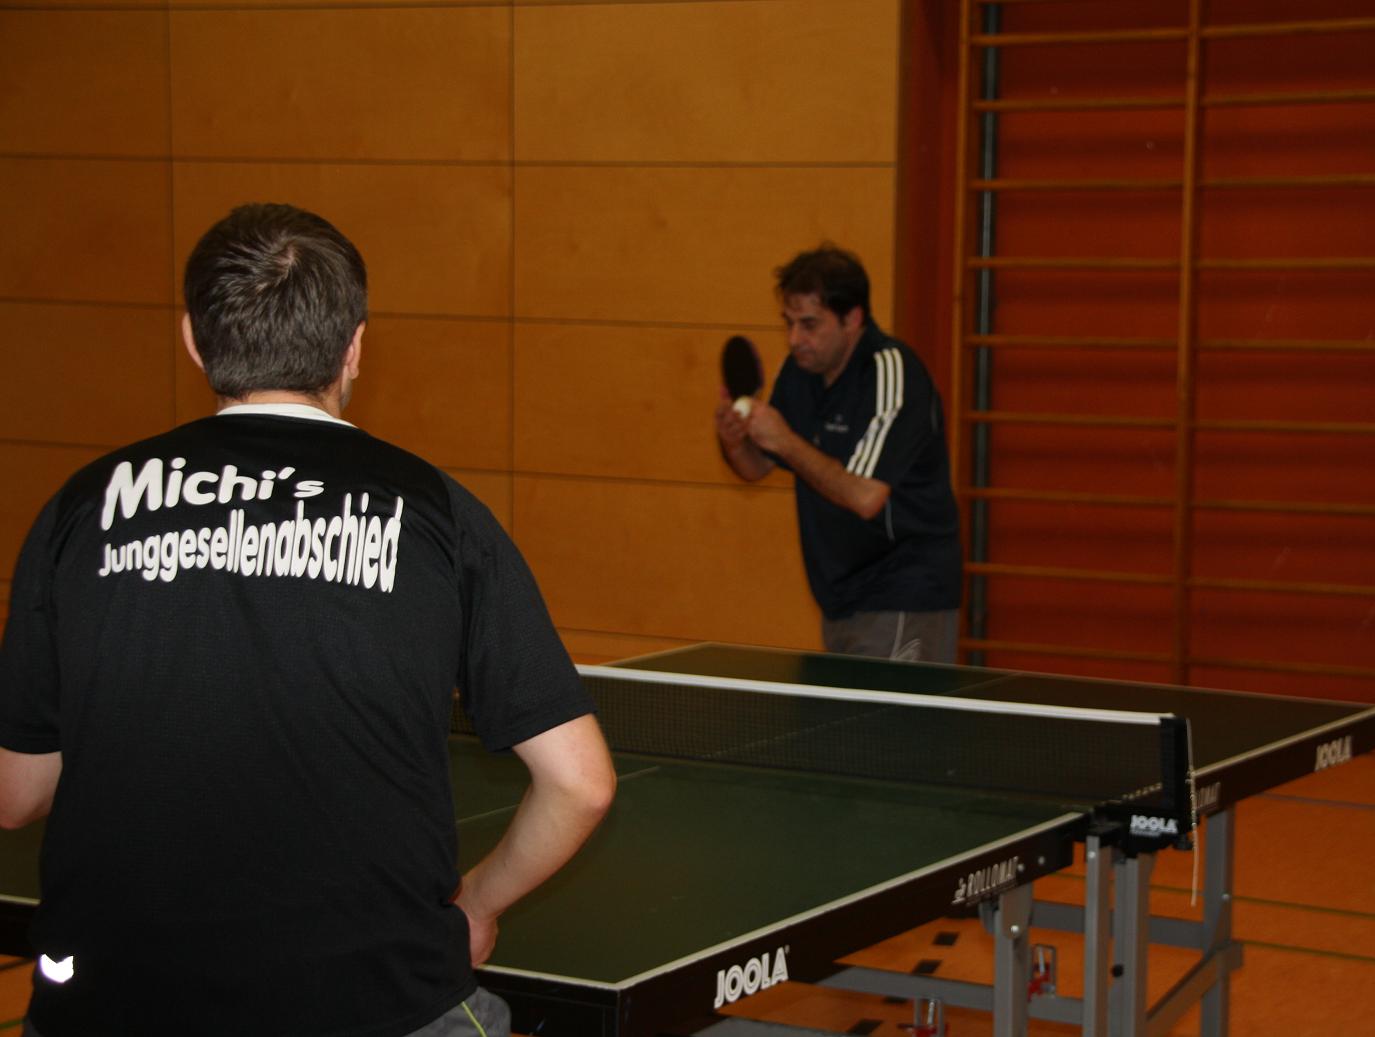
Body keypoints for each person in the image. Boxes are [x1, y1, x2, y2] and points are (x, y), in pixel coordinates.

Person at [0, 203, 616, 1037]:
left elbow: (16, 794)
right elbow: (581, 783)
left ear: (193, 340)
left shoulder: (81, 509)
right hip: (382, 1002)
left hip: (110, 1004)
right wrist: (477, 901)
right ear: (354, 345)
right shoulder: (437, 513)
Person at [716, 244, 962, 663]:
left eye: (809, 324)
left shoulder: (892, 372)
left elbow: (866, 496)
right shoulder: (800, 373)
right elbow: (758, 467)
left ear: (853, 318)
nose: (795, 339)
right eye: (789, 323)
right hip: (839, 598)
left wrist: (785, 439)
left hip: (904, 592)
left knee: (887, 710)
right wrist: (735, 442)